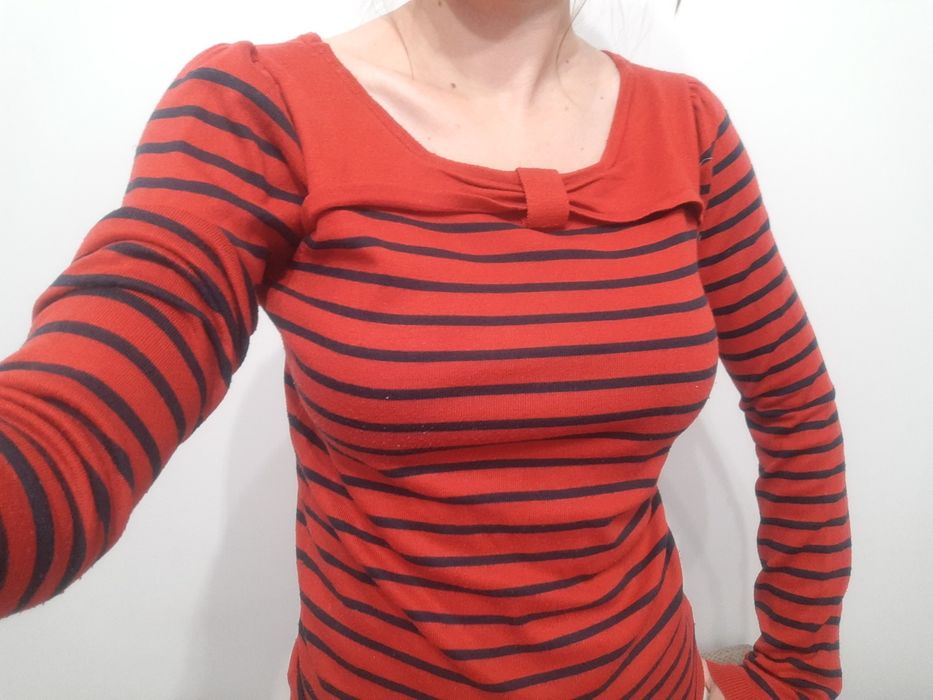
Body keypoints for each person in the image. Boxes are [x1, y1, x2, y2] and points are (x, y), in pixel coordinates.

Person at [0, 1, 852, 698]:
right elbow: (97, 381)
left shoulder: (687, 128)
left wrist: (796, 674)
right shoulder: (262, 107)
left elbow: (795, 405)